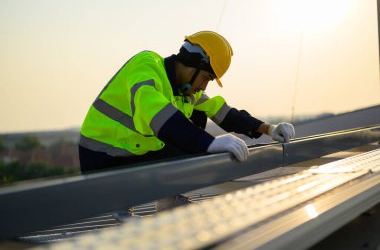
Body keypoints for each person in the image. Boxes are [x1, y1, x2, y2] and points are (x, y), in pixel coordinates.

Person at [79, 31, 295, 213]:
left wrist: (269, 128)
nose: (203, 87)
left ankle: (167, 198)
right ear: (193, 65)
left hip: (133, 152)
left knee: (197, 117)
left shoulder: (183, 90)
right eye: (206, 78)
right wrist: (207, 143)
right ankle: (118, 203)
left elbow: (223, 112)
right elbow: (157, 115)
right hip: (102, 158)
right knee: (191, 138)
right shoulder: (147, 67)